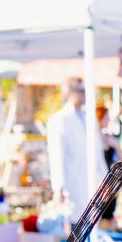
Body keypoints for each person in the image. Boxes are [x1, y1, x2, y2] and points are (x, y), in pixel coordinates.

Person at [45, 77, 107, 216]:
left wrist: (105, 179)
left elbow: (98, 151)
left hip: (93, 182)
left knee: (93, 221)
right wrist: (58, 188)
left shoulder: (89, 117)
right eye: (80, 90)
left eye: (85, 90)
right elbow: (56, 156)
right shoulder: (58, 120)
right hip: (72, 184)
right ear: (68, 92)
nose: (84, 94)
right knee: (75, 222)